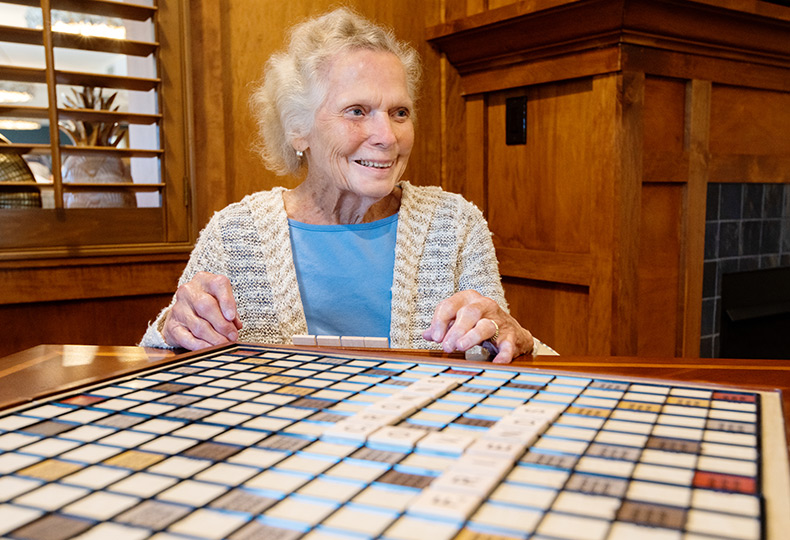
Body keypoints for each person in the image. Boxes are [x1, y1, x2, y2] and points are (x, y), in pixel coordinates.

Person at [140, 8, 555, 364]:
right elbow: (154, 359)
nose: (387, 136)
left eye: (399, 112)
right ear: (298, 128)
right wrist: (173, 329)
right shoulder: (235, 233)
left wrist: (512, 337)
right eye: (357, 111)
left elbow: (502, 359)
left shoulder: (455, 225)